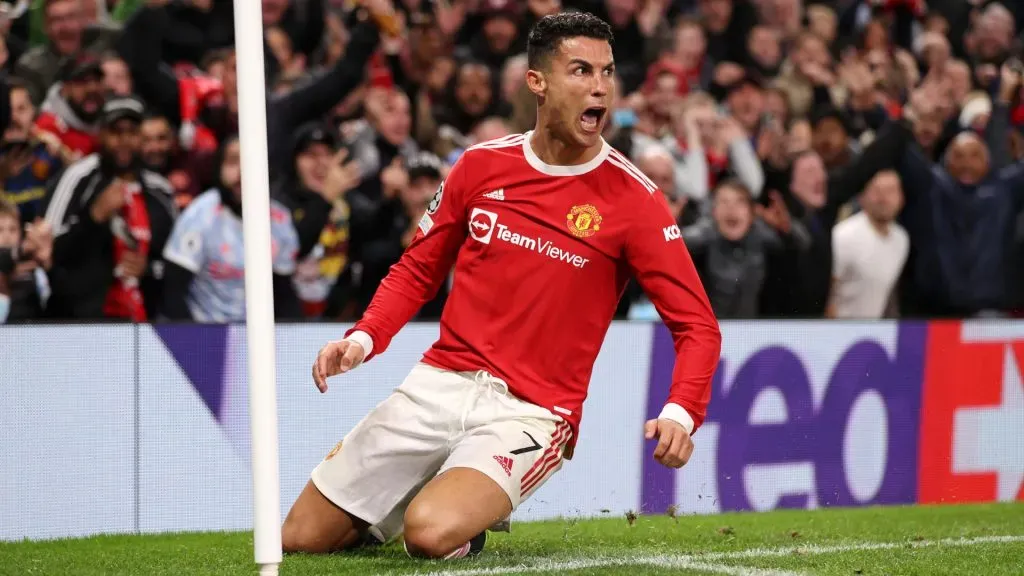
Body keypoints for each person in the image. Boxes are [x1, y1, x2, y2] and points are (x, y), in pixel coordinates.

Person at [281, 12, 721, 560]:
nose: (600, 87)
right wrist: (364, 339)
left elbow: (698, 325)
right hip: (438, 383)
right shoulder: (480, 166)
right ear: (536, 81)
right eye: (581, 70)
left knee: (429, 535)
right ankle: (426, 489)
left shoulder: (635, 200)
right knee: (298, 541)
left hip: (533, 411)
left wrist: (681, 412)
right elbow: (417, 269)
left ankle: (458, 510)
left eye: (606, 72)